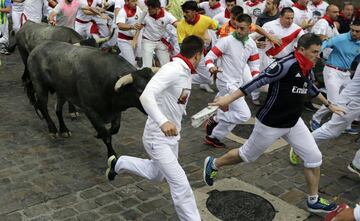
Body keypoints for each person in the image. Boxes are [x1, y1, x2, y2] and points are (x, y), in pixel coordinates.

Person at [203, 33, 345, 213]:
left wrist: (329, 104)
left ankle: (313, 200)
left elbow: (309, 86)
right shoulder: (285, 64)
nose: (318, 55)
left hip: (293, 122)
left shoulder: (308, 65)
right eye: (314, 52)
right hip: (271, 122)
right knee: (246, 156)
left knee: (314, 158)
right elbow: (256, 81)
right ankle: (214, 164)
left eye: (319, 52)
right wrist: (228, 99)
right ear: (301, 50)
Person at [105, 35, 204, 221]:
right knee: (180, 184)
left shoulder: (185, 71)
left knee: (156, 174)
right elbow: (146, 96)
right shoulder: (173, 69)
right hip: (156, 137)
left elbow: (177, 99)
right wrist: (162, 121)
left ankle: (119, 163)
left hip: (172, 137)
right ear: (198, 55)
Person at [204, 14, 259, 148]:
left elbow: (254, 64)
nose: (239, 31)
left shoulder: (251, 44)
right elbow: (209, 57)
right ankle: (216, 118)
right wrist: (211, 67)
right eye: (237, 28)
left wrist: (257, 78)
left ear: (249, 29)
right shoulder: (226, 41)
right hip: (225, 83)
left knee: (234, 112)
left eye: (242, 28)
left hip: (238, 83)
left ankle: (214, 137)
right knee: (244, 115)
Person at [309, 19, 360, 133]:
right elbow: (325, 43)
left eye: (357, 31)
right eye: (352, 30)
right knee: (335, 101)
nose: (354, 33)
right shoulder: (341, 38)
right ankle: (315, 119)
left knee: (348, 99)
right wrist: (316, 54)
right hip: (332, 71)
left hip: (346, 74)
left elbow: (357, 58)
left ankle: (344, 125)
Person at [177, 0, 219, 93]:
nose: (184, 14)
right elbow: (181, 44)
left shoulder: (206, 20)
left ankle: (181, 79)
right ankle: (180, 82)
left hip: (200, 54)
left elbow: (218, 27)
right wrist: (186, 59)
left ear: (195, 12)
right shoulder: (181, 24)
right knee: (182, 77)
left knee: (209, 80)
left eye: (187, 12)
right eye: (183, 12)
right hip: (187, 54)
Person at [141, 0, 177, 68]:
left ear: (157, 8)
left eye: (150, 9)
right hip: (147, 41)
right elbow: (138, 26)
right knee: (146, 67)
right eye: (148, 8)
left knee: (166, 65)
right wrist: (135, 39)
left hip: (160, 41)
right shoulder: (145, 13)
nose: (148, 10)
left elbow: (177, 24)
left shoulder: (167, 15)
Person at [116, 0, 143, 66]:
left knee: (128, 59)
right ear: (126, 2)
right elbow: (120, 25)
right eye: (133, 1)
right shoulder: (122, 11)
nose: (136, 3)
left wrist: (135, 39)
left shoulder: (138, 9)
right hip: (124, 41)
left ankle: (115, 63)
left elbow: (140, 24)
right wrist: (132, 27)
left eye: (136, 0)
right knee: (132, 64)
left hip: (133, 39)